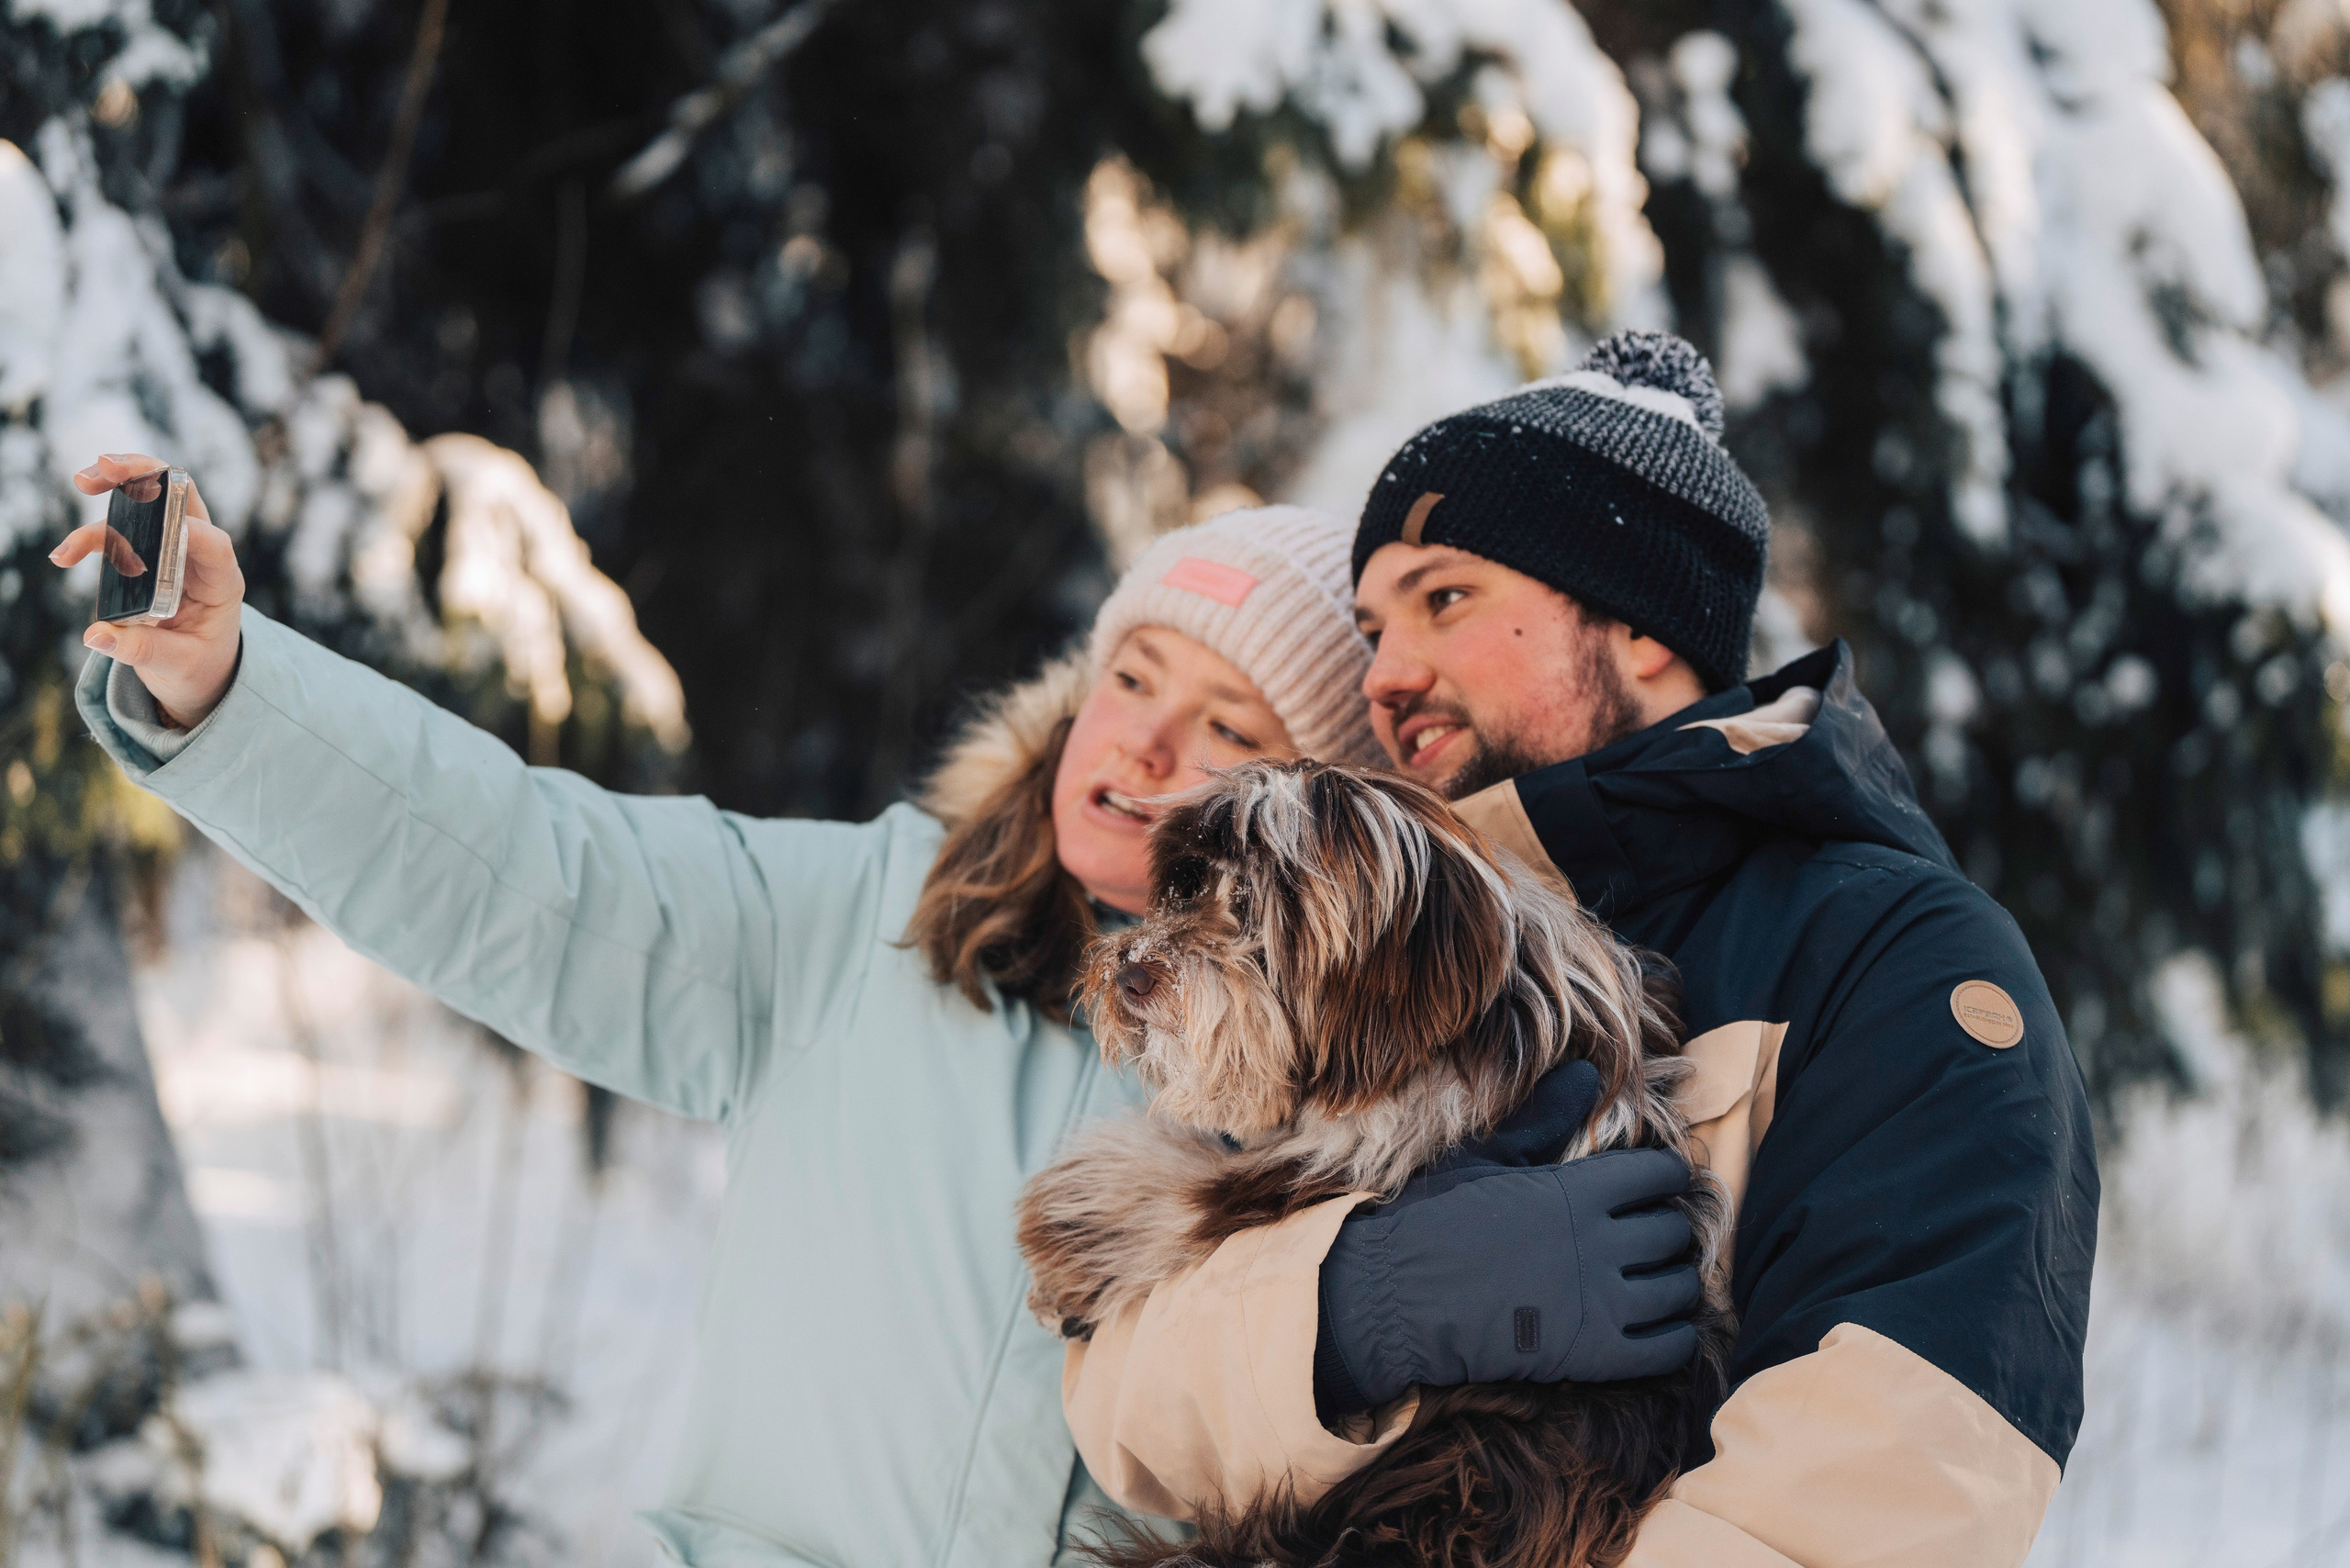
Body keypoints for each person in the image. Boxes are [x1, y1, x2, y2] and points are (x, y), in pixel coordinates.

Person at [54, 474, 1703, 1566]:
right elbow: (519, 868)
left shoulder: (1367, 1103)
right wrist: (232, 684)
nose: (1138, 752)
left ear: (1317, 818)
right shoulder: (863, 925)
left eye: (1226, 729)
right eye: (1129, 680)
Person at [1062, 332, 2100, 1567]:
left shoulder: (1893, 958)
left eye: (1444, 601)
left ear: (1643, 627)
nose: (1386, 675)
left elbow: (1887, 1489)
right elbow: (1122, 1409)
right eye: (1369, 627)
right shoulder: (1346, 942)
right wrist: (1350, 1314)